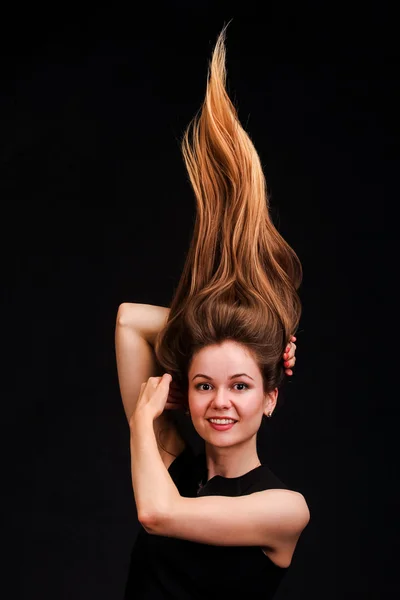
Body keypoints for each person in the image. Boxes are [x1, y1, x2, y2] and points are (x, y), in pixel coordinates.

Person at [116, 25, 308, 600]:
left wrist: (258, 332)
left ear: (270, 398)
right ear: (187, 392)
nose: (219, 401)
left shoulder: (283, 509)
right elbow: (130, 320)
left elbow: (156, 514)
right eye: (203, 385)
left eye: (241, 385)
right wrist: (255, 329)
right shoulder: (172, 458)